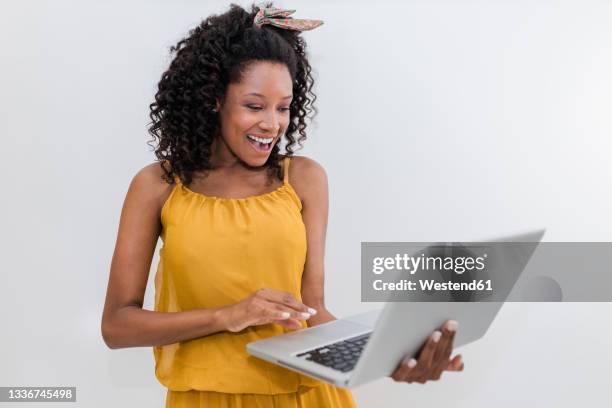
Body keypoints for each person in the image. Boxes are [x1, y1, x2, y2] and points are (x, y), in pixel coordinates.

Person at [101, 3, 464, 407]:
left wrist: (389, 355)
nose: (273, 124)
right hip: (204, 398)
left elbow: (314, 312)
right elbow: (117, 325)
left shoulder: (304, 179)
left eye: (284, 107)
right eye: (254, 106)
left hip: (307, 394)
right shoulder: (158, 186)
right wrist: (228, 316)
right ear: (213, 100)